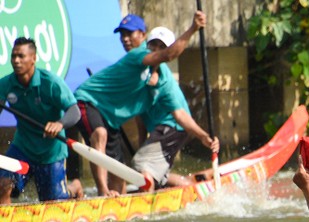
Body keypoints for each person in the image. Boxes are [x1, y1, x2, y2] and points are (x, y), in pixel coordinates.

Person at [72, 10, 205, 197]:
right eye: (122, 34)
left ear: (142, 35)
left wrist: (203, 136)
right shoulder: (137, 56)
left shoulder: (159, 79)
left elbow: (178, 115)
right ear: (147, 43)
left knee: (120, 175)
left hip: (114, 119)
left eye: (130, 33)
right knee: (100, 135)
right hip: (88, 102)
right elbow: (167, 55)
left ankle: (95, 195)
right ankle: (102, 192)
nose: (125, 39)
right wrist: (193, 29)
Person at [0, 38, 83, 205]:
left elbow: (75, 112)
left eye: (21, 56)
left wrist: (59, 124)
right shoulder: (5, 84)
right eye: (13, 56)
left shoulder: (50, 82)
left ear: (33, 59)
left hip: (50, 153)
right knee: (3, 184)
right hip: (22, 148)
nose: (16, 61)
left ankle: (74, 187)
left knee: (52, 203)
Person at [134, 27, 219, 188]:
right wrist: (142, 146)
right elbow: (140, 117)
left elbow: (181, 116)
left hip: (174, 126)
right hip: (161, 128)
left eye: (162, 47)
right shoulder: (140, 71)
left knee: (142, 165)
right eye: (153, 45)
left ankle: (147, 210)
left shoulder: (166, 83)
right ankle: (189, 189)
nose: (157, 51)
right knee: (156, 173)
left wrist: (203, 136)